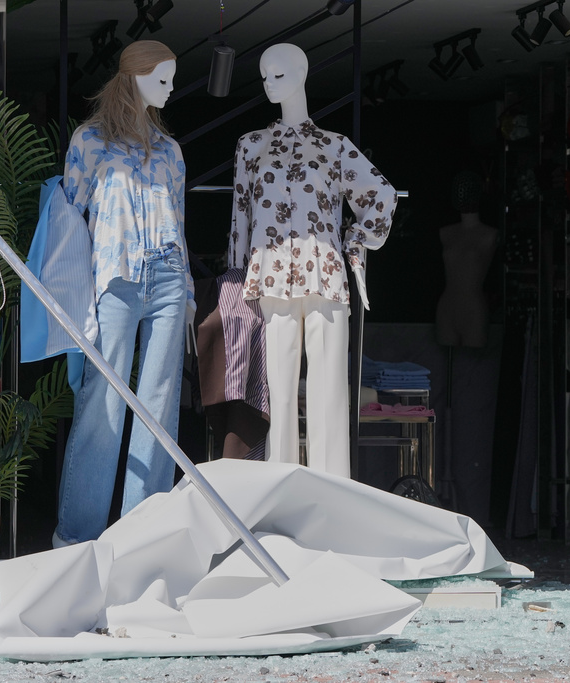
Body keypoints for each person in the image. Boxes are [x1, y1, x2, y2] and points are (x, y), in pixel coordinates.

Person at [228, 43, 397, 477]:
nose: (269, 84)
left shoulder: (334, 147)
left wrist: (354, 241)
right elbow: (240, 219)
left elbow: (381, 194)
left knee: (328, 393)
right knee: (279, 394)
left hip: (325, 274)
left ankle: (331, 490)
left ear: (302, 74)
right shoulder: (250, 146)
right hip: (272, 277)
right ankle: (283, 489)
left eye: (279, 74)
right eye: (264, 76)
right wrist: (236, 278)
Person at [53, 41, 194, 547]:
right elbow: (69, 221)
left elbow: (180, 223)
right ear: (134, 77)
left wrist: (189, 292)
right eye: (162, 79)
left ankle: (140, 541)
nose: (171, 89)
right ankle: (76, 542)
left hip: (168, 279)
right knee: (103, 404)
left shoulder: (171, 150)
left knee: (159, 407)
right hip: (113, 279)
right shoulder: (90, 141)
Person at [435, 170, 498, 348]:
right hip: (447, 306)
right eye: (459, 190)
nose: (462, 194)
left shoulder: (490, 235)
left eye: (467, 190)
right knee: (448, 365)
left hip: (473, 308)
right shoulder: (446, 233)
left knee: (473, 368)